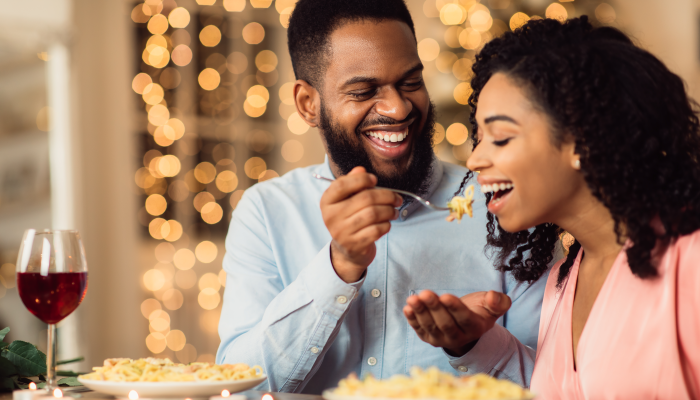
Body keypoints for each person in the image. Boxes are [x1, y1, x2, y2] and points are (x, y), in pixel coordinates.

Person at [216, 0, 552, 394]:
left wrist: (474, 345)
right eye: (363, 91)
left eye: (410, 82)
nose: (398, 107)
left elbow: (557, 383)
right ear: (308, 104)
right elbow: (240, 388)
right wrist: (338, 267)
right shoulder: (267, 212)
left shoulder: (503, 203)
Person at [408, 16, 700, 399]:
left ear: (581, 141)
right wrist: (473, 344)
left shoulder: (689, 258)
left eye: (499, 137)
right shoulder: (565, 278)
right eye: (477, 139)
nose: (475, 159)